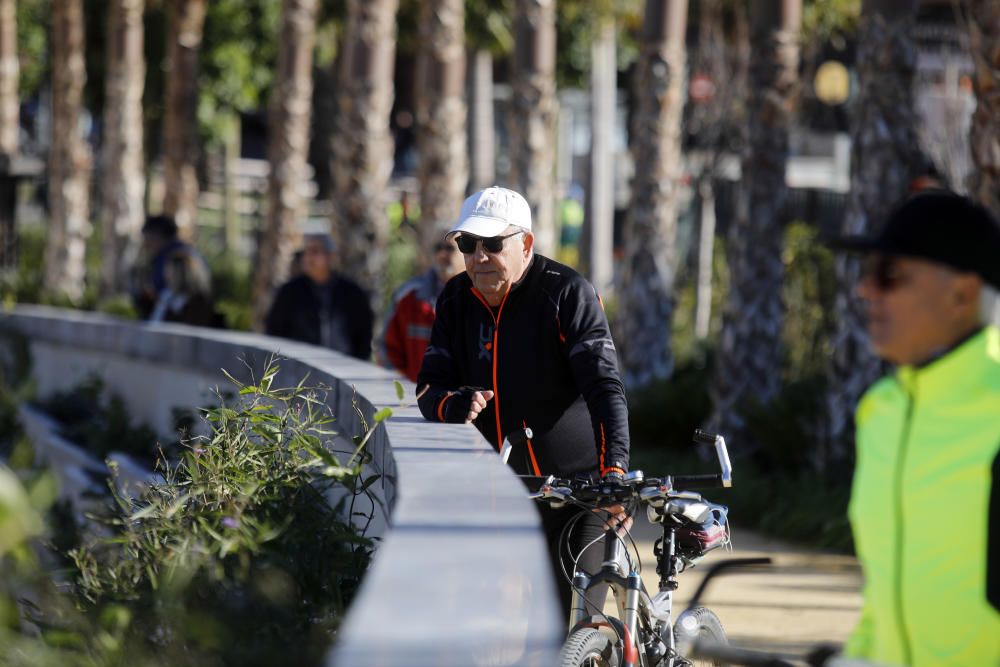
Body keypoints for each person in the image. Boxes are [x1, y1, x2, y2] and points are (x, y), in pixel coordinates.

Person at [416, 186, 631, 618]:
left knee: (570, 621)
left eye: (493, 244)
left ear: (525, 244)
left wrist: (615, 475)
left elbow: (605, 388)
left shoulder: (568, 293)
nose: (479, 256)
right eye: (467, 244)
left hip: (580, 491)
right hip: (498, 493)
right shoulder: (456, 299)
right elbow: (427, 390)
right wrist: (453, 405)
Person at [829, 189, 1000, 667]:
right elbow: (887, 587)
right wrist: (859, 655)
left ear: (962, 293)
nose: (868, 290)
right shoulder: (879, 411)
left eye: (890, 275)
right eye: (868, 274)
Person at [265, 234, 374, 360]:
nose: (309, 257)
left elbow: (364, 334)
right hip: (299, 369)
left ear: (330, 256)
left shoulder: (352, 293)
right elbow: (274, 331)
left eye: (315, 251)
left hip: (343, 368)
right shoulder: (290, 292)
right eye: (306, 252)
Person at [380, 234, 464, 382]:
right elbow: (388, 349)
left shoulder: (479, 296)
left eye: (450, 248)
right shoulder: (408, 296)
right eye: (438, 248)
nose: (442, 254)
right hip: (414, 399)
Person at [132, 215, 206, 320]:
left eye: (147, 239)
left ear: (157, 236)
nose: (145, 245)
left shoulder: (171, 257)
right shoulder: (188, 251)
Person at [148, 248, 218, 327]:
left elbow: (191, 326)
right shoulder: (167, 294)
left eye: (171, 271)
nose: (166, 275)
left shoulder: (198, 300)